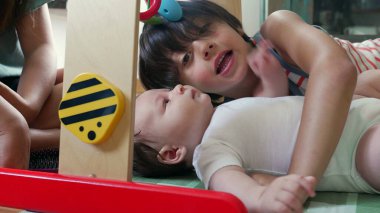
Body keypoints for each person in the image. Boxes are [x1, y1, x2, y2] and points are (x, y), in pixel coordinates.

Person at [138, 0, 380, 197]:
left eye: (204, 30)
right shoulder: (230, 125)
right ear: (187, 86)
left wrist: (297, 180)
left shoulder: (276, 30)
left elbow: (335, 69)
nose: (205, 47)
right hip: (367, 122)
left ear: (233, 25)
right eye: (186, 59)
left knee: (363, 83)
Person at [133, 77, 380, 212]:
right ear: (173, 152)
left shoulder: (224, 110)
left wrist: (269, 79)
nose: (176, 88)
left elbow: (273, 109)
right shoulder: (209, 149)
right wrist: (260, 197)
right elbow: (227, 182)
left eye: (168, 89)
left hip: (360, 109)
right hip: (357, 147)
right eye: (166, 102)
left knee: (366, 79)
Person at [0, 0, 63, 168]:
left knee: (96, 84)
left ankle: (29, 135)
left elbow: (41, 48)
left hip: (18, 86)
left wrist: (29, 104)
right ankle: (57, 138)